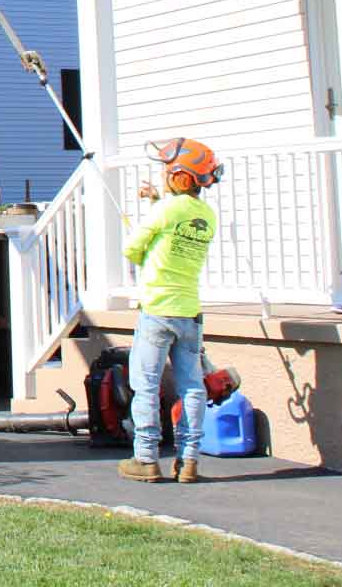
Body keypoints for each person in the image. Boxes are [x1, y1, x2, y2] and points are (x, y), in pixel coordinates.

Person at [118, 137, 220, 484]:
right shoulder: (206, 215)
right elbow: (178, 221)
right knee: (192, 386)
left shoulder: (165, 211)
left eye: (167, 170)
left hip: (157, 311)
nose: (163, 175)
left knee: (145, 385)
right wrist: (155, 203)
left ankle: (146, 459)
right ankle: (188, 461)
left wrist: (148, 218)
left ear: (180, 176)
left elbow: (132, 249)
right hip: (189, 313)